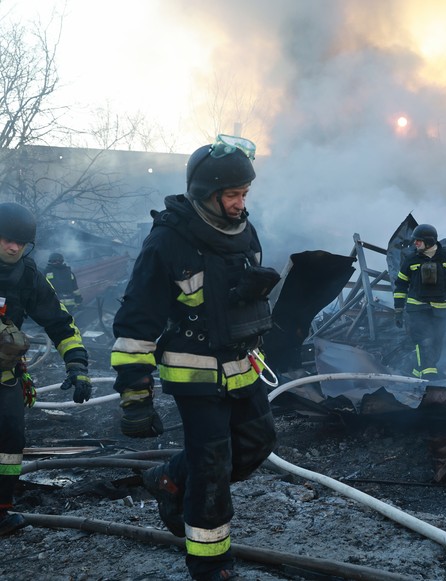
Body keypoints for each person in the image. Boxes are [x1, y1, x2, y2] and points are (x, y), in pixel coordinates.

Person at [110, 135, 280, 581]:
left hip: (243, 365)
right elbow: (136, 320)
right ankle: (210, 564)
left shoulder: (246, 230)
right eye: (232, 195)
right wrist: (135, 394)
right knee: (212, 465)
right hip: (195, 372)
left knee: (257, 444)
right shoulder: (168, 241)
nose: (241, 204)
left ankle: (170, 478)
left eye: (245, 194)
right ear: (205, 194)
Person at [0, 202, 91, 536]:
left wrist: (77, 365)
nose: (13, 247)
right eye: (6, 239)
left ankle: (1, 510)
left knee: (10, 443)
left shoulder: (29, 277)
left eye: (20, 243)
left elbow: (61, 322)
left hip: (5, 379)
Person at [393, 223, 446, 379]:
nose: (415, 243)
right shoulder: (411, 260)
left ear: (429, 241)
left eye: (418, 240)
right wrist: (398, 310)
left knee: (436, 343)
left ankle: (416, 372)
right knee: (424, 342)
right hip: (417, 310)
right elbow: (400, 285)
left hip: (440, 311)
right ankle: (429, 379)